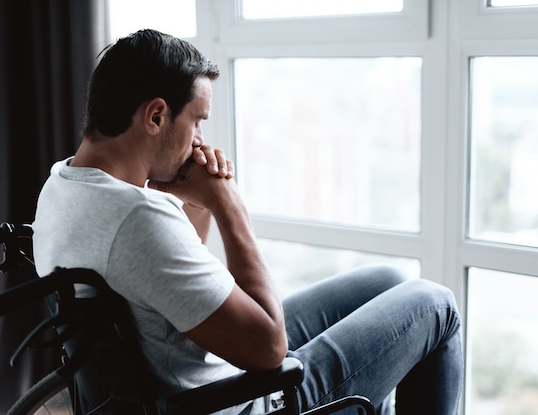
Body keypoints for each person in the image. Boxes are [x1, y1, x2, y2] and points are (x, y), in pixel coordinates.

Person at [33, 29, 463, 414]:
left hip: (198, 371)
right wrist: (226, 202)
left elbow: (172, 296)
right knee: (435, 303)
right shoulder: (138, 219)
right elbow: (270, 350)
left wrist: (195, 205)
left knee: (386, 280)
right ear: (156, 116)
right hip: (249, 400)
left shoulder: (62, 186)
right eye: (197, 121)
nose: (199, 140)